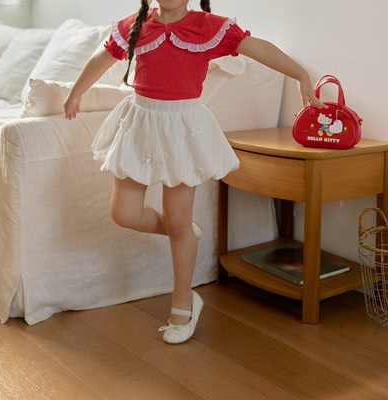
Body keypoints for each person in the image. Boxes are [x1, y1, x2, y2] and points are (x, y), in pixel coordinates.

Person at [64, 0, 326, 345]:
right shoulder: (137, 24)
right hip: (140, 124)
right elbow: (102, 57)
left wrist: (301, 74)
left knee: (178, 218)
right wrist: (75, 92)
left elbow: (258, 47)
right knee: (123, 213)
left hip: (181, 130)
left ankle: (183, 304)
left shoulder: (208, 26)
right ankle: (182, 230)